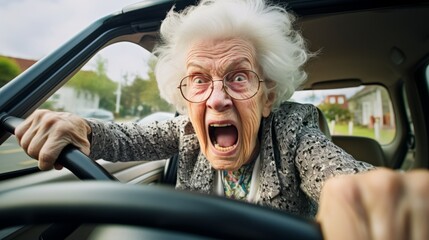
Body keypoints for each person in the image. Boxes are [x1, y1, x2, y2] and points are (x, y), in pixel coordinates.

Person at [15, 0, 429, 239]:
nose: (216, 99)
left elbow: (337, 172)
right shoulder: (188, 133)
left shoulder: (294, 134)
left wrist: (370, 199)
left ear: (267, 97)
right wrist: (82, 129)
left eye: (238, 77)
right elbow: (127, 138)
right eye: (198, 80)